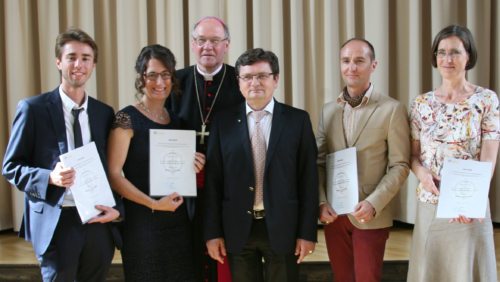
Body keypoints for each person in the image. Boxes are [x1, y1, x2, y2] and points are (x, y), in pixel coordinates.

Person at [2, 28, 122, 281]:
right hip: (57, 220)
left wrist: (117, 209)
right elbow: (11, 167)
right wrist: (49, 177)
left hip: (97, 222)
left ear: (93, 64)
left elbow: (112, 168)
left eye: (86, 58)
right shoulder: (32, 109)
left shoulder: (104, 113)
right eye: (71, 57)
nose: (78, 64)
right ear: (59, 61)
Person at [204, 48, 319, 282]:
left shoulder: (298, 120)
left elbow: (308, 179)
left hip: (283, 227)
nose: (254, 82)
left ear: (275, 79)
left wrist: (308, 233)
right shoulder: (222, 123)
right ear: (239, 82)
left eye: (262, 76)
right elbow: (213, 182)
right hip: (237, 228)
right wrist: (213, 233)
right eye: (247, 77)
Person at [407, 25, 499, 282]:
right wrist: (422, 174)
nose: (447, 59)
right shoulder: (420, 103)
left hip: (470, 207)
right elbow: (413, 156)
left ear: (468, 56)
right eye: (442, 52)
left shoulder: (486, 100)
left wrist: (470, 200)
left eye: (455, 52)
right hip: (431, 203)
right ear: (435, 57)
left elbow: (489, 158)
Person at [107, 44, 206, 281]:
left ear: (172, 78)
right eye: (152, 74)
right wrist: (153, 204)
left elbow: (178, 171)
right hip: (142, 225)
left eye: (165, 75)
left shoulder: (178, 123)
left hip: (177, 221)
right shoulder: (126, 119)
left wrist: (194, 164)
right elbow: (113, 174)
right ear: (142, 78)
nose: (159, 82)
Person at [316, 38, 410, 282]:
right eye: (346, 61)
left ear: (373, 65)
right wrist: (322, 201)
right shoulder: (328, 111)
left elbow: (400, 165)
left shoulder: (392, 109)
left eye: (359, 61)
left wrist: (374, 203)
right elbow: (318, 162)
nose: (351, 67)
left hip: (370, 214)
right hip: (335, 214)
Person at [166, 16, 244, 282]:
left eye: (215, 41)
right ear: (193, 44)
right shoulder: (175, 81)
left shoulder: (240, 80)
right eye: (201, 41)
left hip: (228, 186)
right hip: (182, 185)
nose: (207, 47)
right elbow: (162, 129)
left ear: (227, 45)